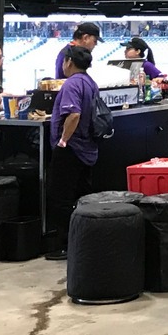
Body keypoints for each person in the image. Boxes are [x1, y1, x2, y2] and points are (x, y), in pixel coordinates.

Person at [43, 45, 100, 260]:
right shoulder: (90, 83)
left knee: (60, 197)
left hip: (72, 149)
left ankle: (65, 244)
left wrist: (63, 141)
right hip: (87, 148)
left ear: (68, 62)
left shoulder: (72, 85)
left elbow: (73, 115)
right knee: (81, 195)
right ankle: (81, 241)